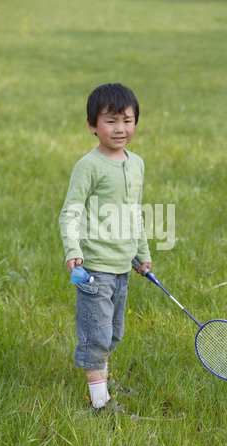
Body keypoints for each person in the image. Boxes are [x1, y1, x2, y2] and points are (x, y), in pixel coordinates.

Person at [59, 83, 151, 415]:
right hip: (95, 268)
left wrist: (142, 255)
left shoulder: (137, 163)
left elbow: (135, 212)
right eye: (110, 121)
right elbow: (71, 210)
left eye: (127, 120)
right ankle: (99, 404)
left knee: (113, 333)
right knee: (96, 335)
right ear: (92, 125)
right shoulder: (89, 165)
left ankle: (102, 381)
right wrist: (73, 250)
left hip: (122, 267)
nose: (120, 129)